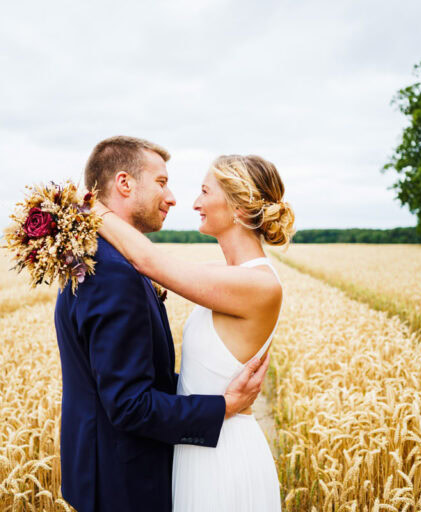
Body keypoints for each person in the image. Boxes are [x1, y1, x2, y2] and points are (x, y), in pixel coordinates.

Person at [54, 136, 270, 512]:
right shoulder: (115, 272)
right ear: (124, 183)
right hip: (123, 485)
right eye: (161, 182)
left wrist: (87, 210)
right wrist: (223, 406)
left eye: (203, 191)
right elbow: (129, 404)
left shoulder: (94, 261)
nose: (175, 198)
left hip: (120, 474)